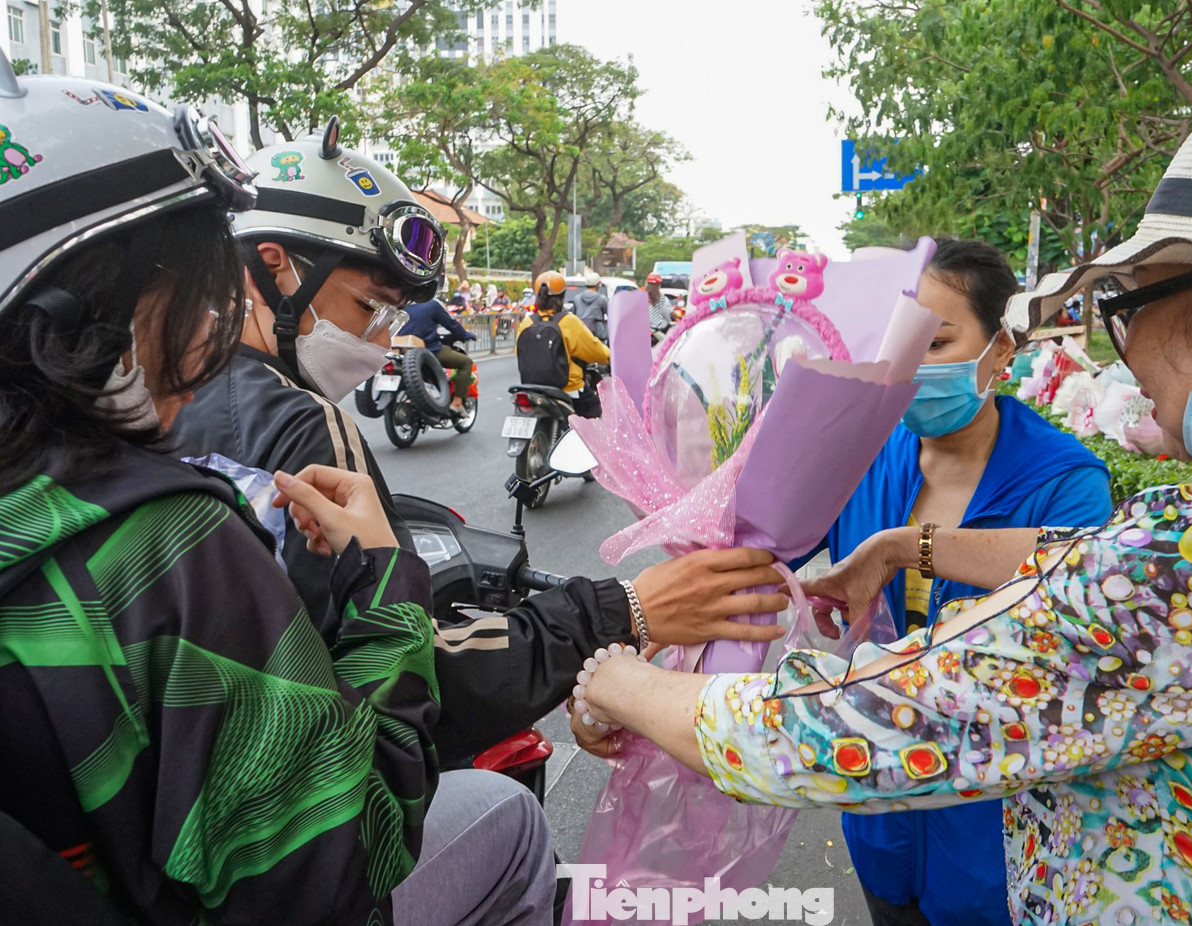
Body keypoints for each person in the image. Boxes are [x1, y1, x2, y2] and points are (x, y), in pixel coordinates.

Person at [569, 94, 1192, 924]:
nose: (1123, 343)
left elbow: (842, 729)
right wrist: (895, 547)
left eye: (1128, 302)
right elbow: (1090, 560)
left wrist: (617, 672)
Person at [0, 74, 551, 925]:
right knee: (509, 818)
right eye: (190, 294)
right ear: (87, 298)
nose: (205, 337)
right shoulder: (165, 544)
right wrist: (384, 583)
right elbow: (340, 861)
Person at [175, 134, 788, 768]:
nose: (379, 341)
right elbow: (407, 670)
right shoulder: (304, 424)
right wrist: (625, 608)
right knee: (512, 820)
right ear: (275, 264)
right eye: (368, 308)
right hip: (317, 800)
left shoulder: (168, 399)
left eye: (390, 318)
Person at [799, 239, 1112, 926]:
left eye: (935, 343)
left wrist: (904, 548)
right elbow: (767, 542)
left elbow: (1081, 568)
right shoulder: (860, 453)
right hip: (878, 804)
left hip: (997, 837)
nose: (910, 368)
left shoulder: (1064, 480)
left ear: (1001, 347)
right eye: (897, 347)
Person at [516, 271, 612, 418]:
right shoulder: (568, 322)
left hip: (530, 386)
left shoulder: (527, 322)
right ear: (562, 296)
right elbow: (594, 349)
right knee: (592, 407)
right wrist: (610, 357)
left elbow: (519, 351)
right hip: (567, 387)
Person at [399, 293, 477, 413]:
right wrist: (466, 335)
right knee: (466, 363)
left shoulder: (399, 303)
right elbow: (452, 325)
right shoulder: (432, 305)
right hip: (429, 350)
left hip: (400, 352)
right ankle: (457, 402)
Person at [574, 270, 610, 341]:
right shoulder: (601, 299)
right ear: (598, 284)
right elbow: (609, 313)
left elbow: (574, 314)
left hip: (581, 331)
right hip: (597, 334)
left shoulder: (577, 298)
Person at [646, 272, 673, 343]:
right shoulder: (662, 298)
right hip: (660, 328)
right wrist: (669, 322)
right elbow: (666, 315)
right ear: (659, 285)